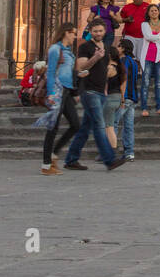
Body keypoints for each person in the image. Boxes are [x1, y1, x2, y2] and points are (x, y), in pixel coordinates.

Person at [63, 19, 126, 172]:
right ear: (90, 31)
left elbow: (103, 71)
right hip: (89, 91)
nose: (98, 33)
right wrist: (96, 57)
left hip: (100, 92)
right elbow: (81, 67)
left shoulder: (106, 47)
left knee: (85, 128)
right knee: (99, 125)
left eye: (100, 31)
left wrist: (105, 89)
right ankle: (109, 160)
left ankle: (71, 159)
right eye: (95, 31)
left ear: (105, 31)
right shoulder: (85, 47)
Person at [41, 23, 79, 175]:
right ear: (66, 33)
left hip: (67, 91)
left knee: (76, 124)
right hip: (57, 91)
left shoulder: (68, 52)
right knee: (53, 128)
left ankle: (54, 153)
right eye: (73, 33)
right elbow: (50, 72)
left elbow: (68, 71)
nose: (75, 37)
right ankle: (46, 165)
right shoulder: (55, 49)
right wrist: (51, 94)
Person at [140, 4, 160, 117]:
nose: (154, 12)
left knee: (159, 83)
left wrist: (157, 38)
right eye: (151, 11)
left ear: (159, 12)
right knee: (145, 83)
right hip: (147, 56)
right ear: (148, 13)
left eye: (155, 10)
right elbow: (148, 36)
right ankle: (144, 108)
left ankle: (159, 107)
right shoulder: (145, 24)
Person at [116, 38, 141, 162]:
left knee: (113, 123)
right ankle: (129, 152)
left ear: (123, 48)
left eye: (118, 46)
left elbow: (123, 80)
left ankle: (110, 151)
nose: (117, 48)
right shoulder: (134, 62)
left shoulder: (123, 61)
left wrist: (121, 97)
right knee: (129, 126)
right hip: (133, 97)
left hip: (124, 97)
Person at [102, 46, 126, 159]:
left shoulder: (110, 68)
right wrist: (122, 99)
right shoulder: (120, 67)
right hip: (117, 97)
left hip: (110, 98)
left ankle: (112, 152)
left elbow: (101, 82)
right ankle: (110, 151)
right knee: (110, 125)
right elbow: (123, 85)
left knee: (109, 127)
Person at [119, 0, 150, 65]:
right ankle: (131, 73)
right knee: (129, 57)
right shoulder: (126, 7)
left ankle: (138, 73)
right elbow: (119, 20)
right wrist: (127, 19)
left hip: (143, 37)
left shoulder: (148, 6)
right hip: (129, 36)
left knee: (141, 57)